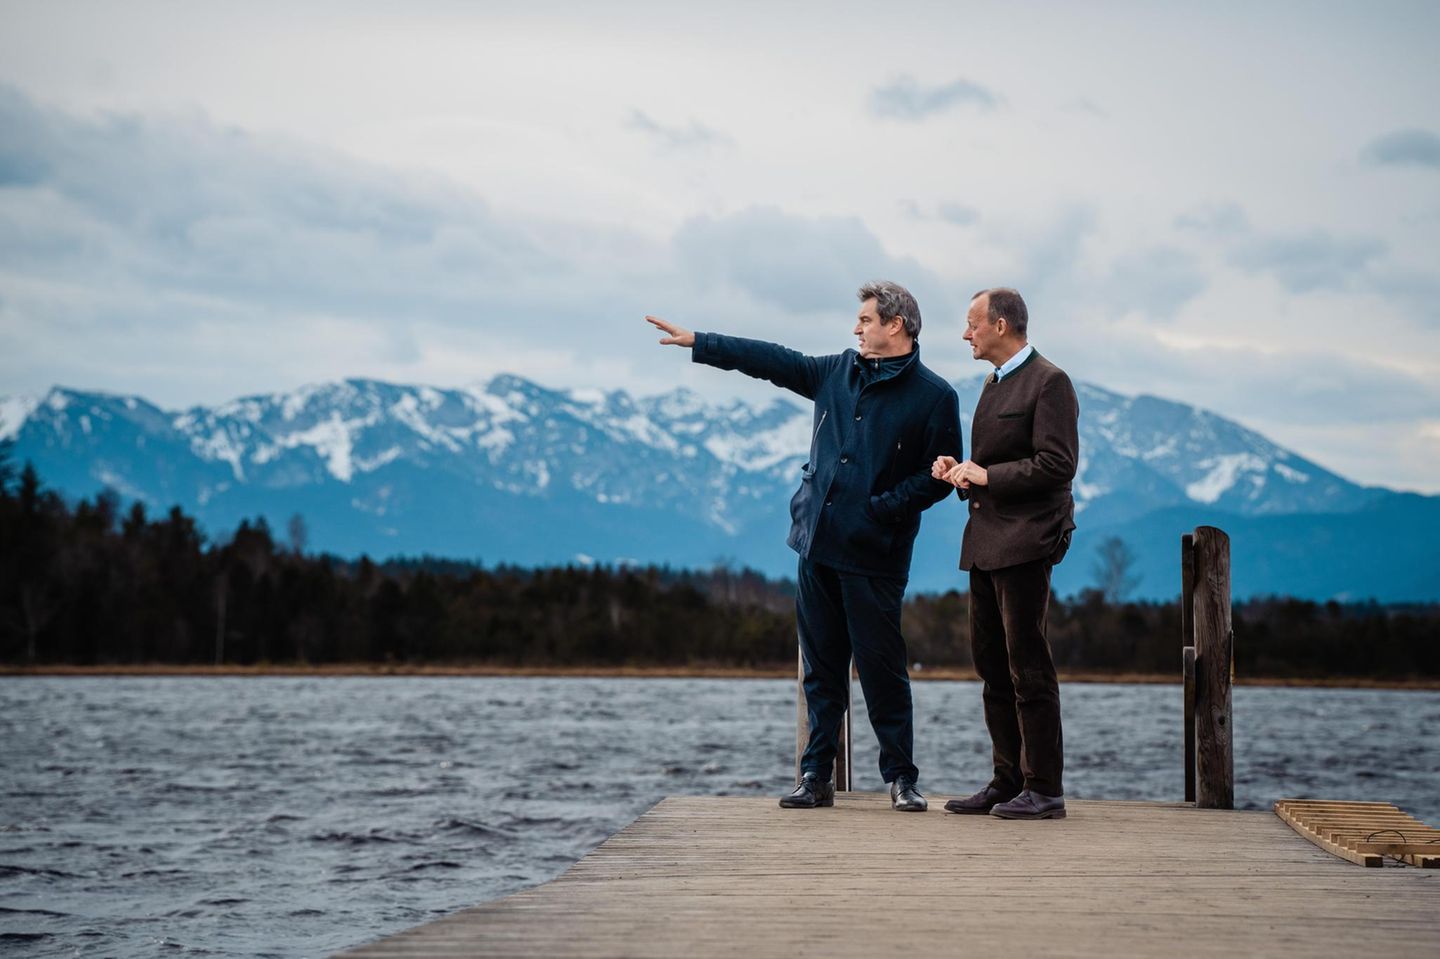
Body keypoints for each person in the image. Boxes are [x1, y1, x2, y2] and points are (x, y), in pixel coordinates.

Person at [647, 281, 961, 812]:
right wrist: (701, 342)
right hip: (815, 546)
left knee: (883, 671)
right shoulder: (834, 371)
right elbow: (772, 360)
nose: (856, 328)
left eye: (865, 319)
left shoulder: (936, 396)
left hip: (875, 556)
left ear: (896, 325)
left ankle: (901, 779)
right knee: (821, 671)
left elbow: (940, 476)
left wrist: (883, 508)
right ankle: (815, 776)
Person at [932, 287, 1078, 821]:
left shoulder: (1051, 382)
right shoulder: (992, 384)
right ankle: (1007, 781)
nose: (965, 334)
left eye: (971, 324)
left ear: (999, 324)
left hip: (1028, 542)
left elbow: (1057, 465)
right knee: (992, 667)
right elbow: (993, 471)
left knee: (1028, 667)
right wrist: (960, 475)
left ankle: (1045, 789)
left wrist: (987, 474)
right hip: (986, 541)